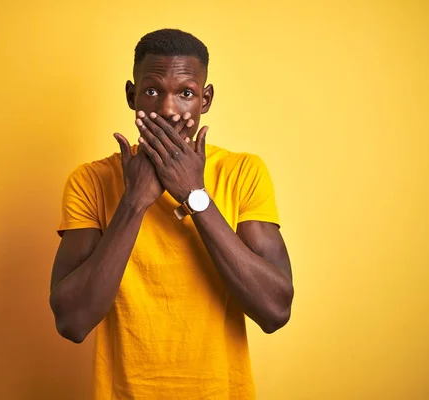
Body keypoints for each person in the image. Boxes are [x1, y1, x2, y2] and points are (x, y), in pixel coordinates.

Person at [49, 28, 294, 400]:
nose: (167, 109)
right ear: (132, 96)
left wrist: (195, 195)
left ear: (205, 99)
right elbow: (72, 321)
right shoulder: (91, 181)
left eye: (185, 93)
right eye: (152, 91)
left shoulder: (242, 172)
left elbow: (275, 311)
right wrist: (134, 202)